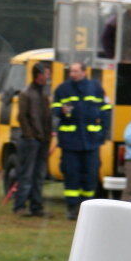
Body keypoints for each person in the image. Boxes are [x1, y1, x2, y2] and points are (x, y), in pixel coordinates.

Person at [52, 61, 111, 220]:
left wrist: (103, 133)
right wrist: (62, 110)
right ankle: (72, 208)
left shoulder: (96, 88)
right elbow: (54, 109)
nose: (73, 74)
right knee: (71, 175)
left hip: (91, 142)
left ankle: (88, 208)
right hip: (70, 142)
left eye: (76, 71)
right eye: (71, 71)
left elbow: (106, 109)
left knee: (90, 175)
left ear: (84, 72)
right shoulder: (62, 89)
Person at [12, 62, 53, 216]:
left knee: (39, 175)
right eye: (46, 74)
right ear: (38, 75)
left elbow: (47, 118)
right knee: (26, 174)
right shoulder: (26, 94)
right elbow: (21, 117)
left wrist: (47, 138)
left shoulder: (44, 95)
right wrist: (31, 136)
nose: (48, 77)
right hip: (30, 141)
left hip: (43, 141)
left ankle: (37, 207)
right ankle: (19, 206)